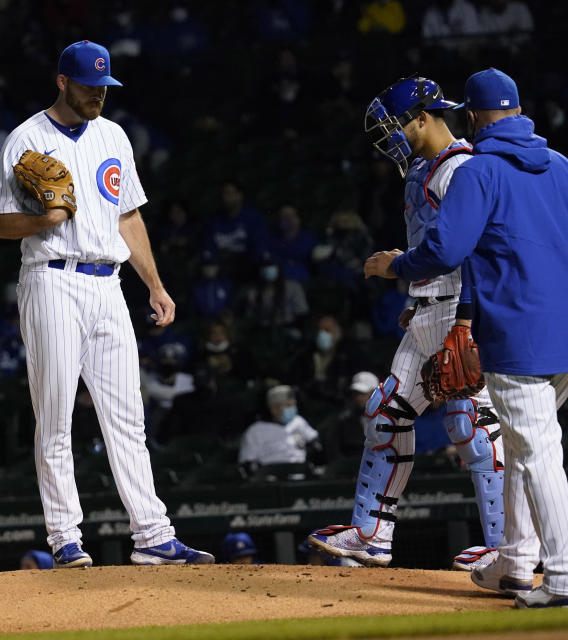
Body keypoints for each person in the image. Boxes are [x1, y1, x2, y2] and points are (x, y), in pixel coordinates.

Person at [0, 40, 214, 567]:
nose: (98, 96)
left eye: (104, 87)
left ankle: (153, 535)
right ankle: (65, 537)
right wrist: (42, 221)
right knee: (56, 414)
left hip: (108, 283)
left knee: (128, 415)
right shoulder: (26, 138)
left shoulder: (113, 135)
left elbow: (127, 217)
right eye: (89, 86)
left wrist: (154, 284)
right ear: (62, 81)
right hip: (52, 279)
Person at [366, 68, 568, 608]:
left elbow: (444, 252)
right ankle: (517, 563)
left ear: (473, 116)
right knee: (526, 449)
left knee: (539, 452)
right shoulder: (562, 166)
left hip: (516, 331)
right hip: (564, 327)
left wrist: (395, 266)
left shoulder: (479, 171)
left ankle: (564, 575)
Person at [308, 77, 505, 573]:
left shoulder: (460, 167)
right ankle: (372, 535)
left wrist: (409, 275)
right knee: (385, 413)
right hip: (426, 309)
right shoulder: (424, 168)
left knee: (472, 425)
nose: (389, 135)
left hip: (458, 309)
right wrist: (418, 293)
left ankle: (509, 545)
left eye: (395, 124)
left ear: (423, 117)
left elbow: (471, 249)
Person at [239, 385, 319, 472]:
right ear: (274, 409)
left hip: (299, 473)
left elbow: (315, 443)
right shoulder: (256, 430)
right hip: (272, 477)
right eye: (288, 405)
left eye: (293, 405)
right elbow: (248, 463)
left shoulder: (298, 422)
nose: (292, 408)